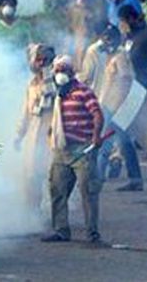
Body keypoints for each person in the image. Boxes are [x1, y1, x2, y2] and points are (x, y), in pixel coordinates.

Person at [43, 55, 104, 243]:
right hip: (62, 150)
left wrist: (95, 135)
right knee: (57, 190)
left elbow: (97, 114)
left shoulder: (83, 91)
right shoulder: (57, 94)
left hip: (82, 149)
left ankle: (92, 233)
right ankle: (61, 230)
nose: (61, 73)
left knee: (88, 192)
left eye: (64, 69)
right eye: (58, 69)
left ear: (72, 72)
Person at [80, 26, 142, 191]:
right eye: (104, 37)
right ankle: (135, 179)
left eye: (109, 38)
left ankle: (99, 178)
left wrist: (120, 107)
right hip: (109, 104)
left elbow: (126, 79)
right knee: (122, 142)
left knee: (107, 142)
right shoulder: (112, 56)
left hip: (116, 107)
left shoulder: (120, 57)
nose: (106, 42)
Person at [15, 44, 56, 210]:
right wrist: (19, 135)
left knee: (52, 177)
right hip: (34, 137)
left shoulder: (57, 81)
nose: (38, 64)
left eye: (42, 60)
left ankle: (56, 213)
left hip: (51, 135)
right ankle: (33, 213)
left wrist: (48, 75)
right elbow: (26, 112)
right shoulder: (32, 84)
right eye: (36, 60)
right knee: (31, 176)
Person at [44, 0, 108, 68]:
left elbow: (102, 13)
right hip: (75, 34)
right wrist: (68, 11)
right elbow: (55, 5)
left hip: (93, 33)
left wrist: (89, 5)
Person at [118, 5, 147, 91]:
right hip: (129, 82)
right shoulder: (126, 35)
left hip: (145, 80)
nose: (121, 24)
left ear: (130, 18)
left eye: (123, 20)